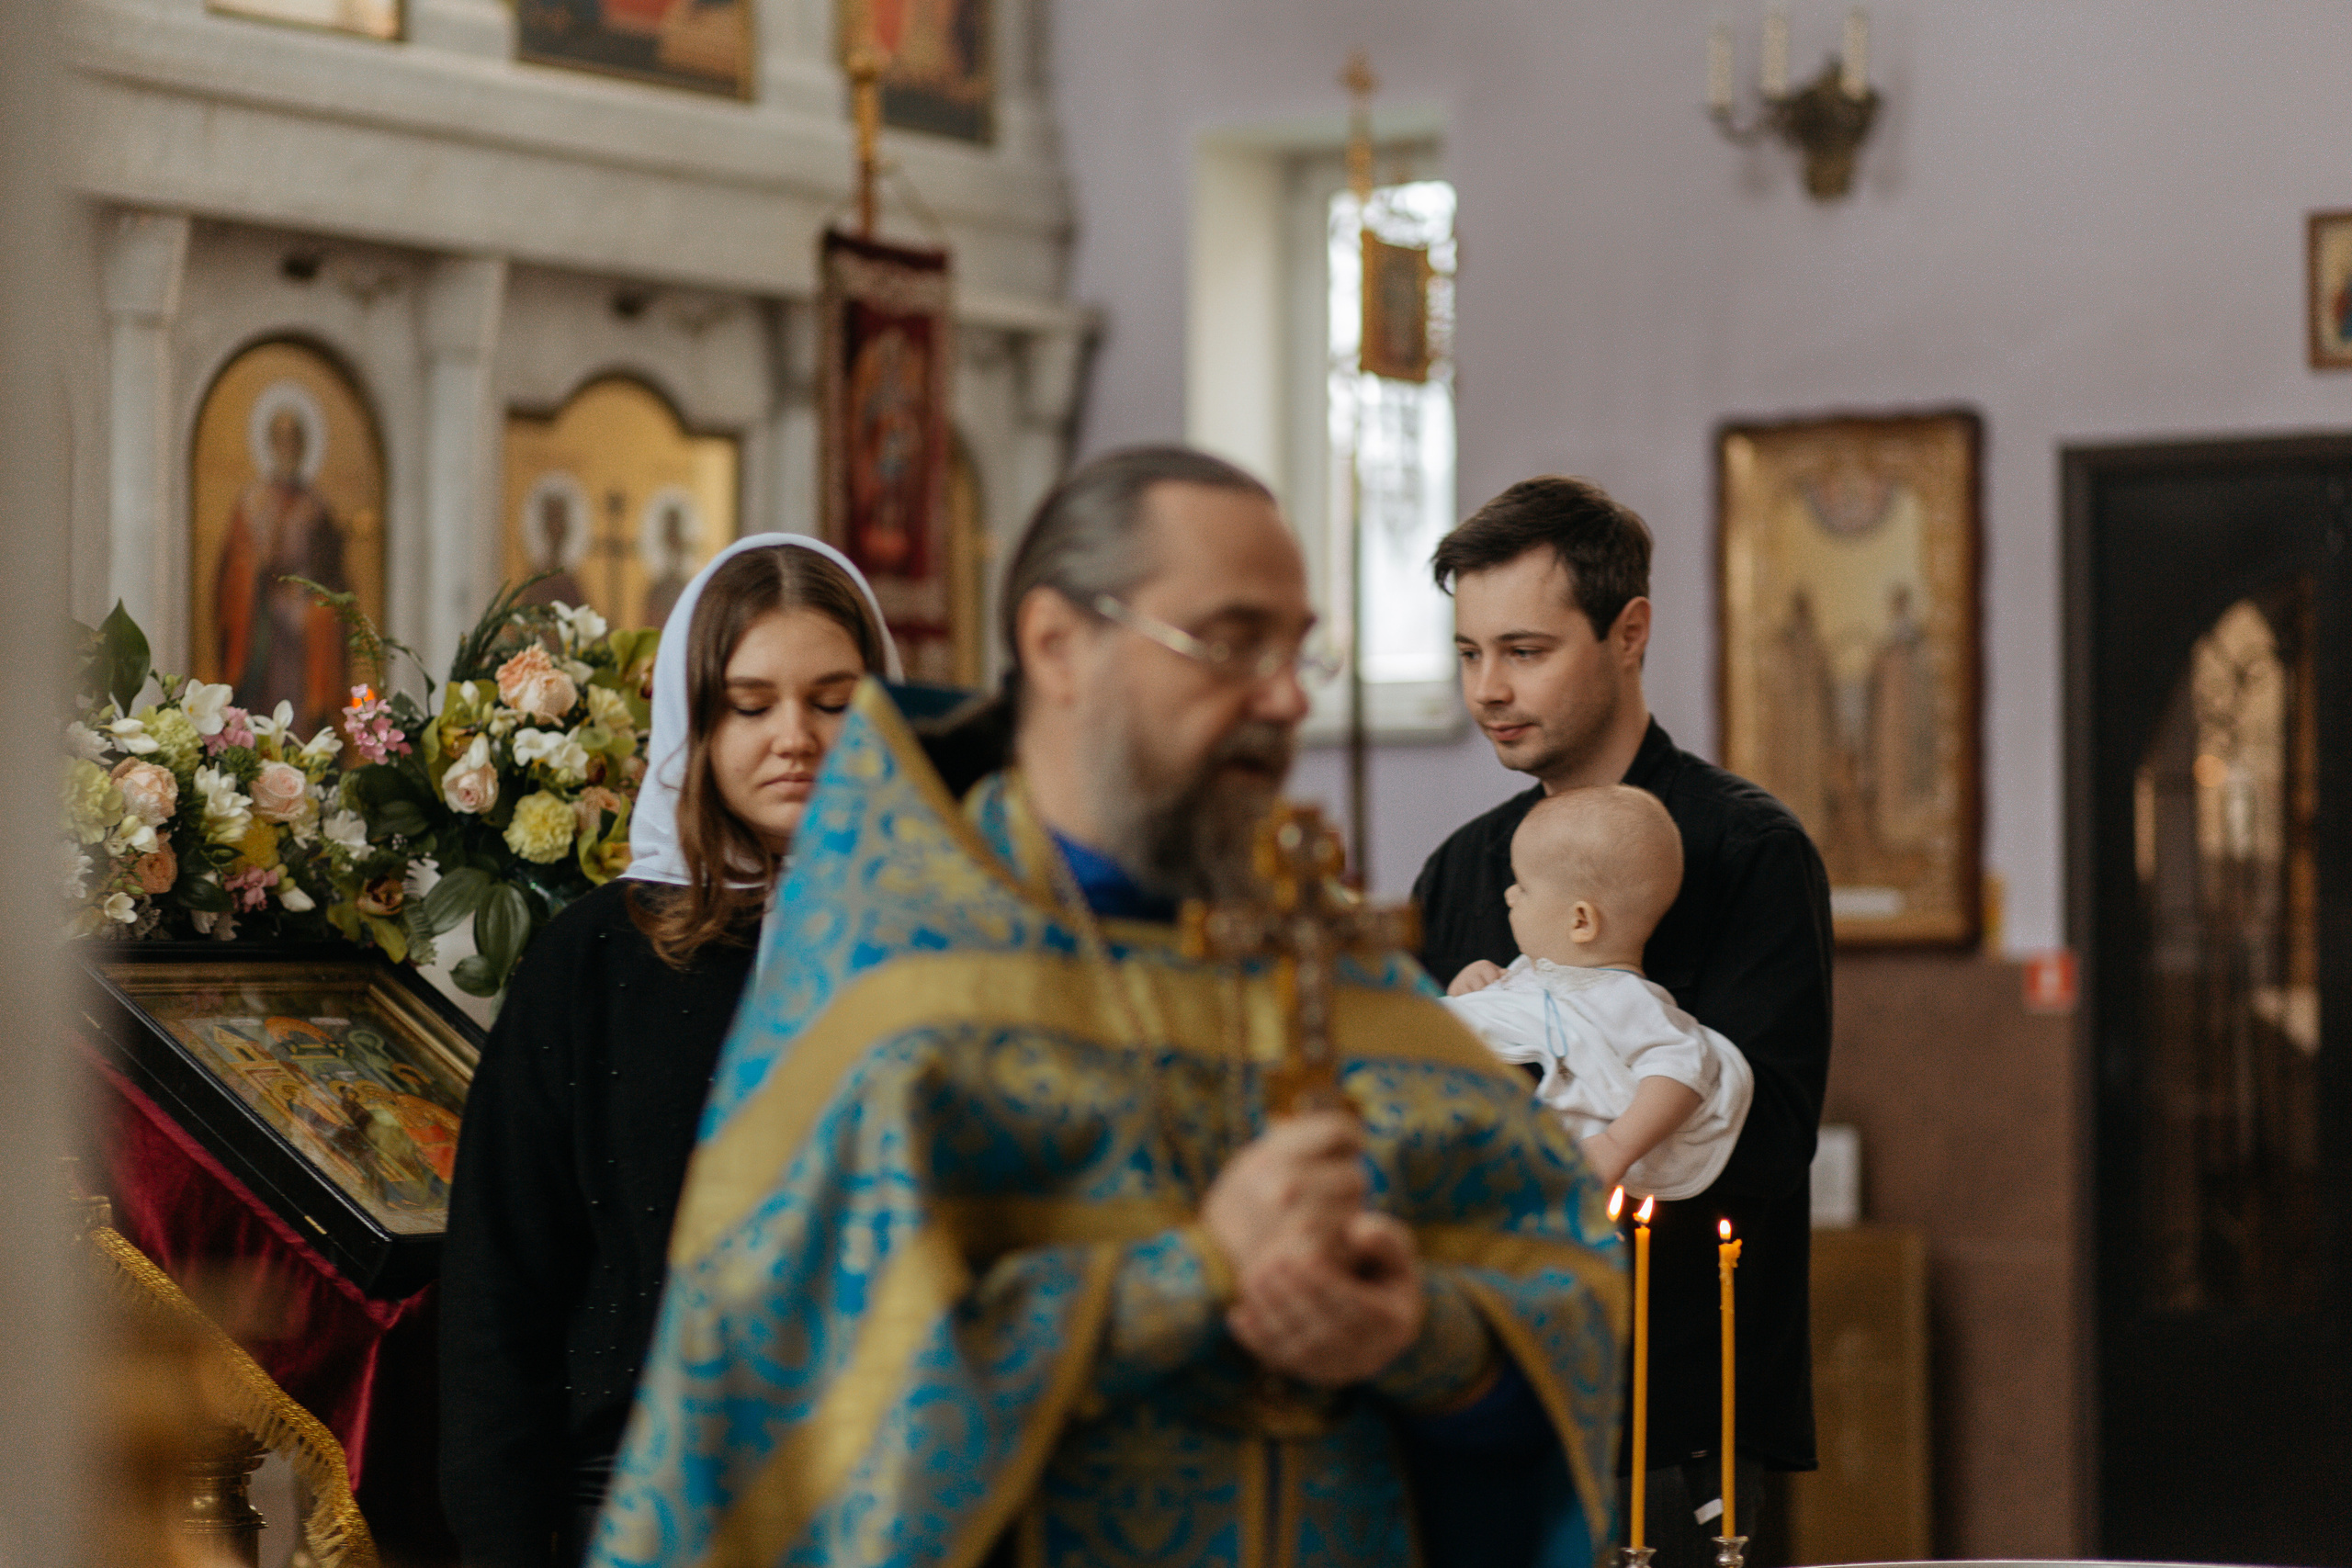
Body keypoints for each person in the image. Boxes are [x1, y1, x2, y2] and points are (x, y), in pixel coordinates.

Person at [588, 447, 1624, 1568]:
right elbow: (800, 1419)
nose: (1283, 696)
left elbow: (1561, 1282)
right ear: (1056, 646)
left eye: (1296, 650)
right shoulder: (895, 985)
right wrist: (1191, 1276)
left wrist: (1431, 1342)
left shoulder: (1328, 960)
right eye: (1231, 643)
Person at [439, 534, 902, 1568]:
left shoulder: (943, 947)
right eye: (751, 704)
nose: (797, 738)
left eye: (834, 703)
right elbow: (499, 1292)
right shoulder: (594, 961)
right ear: (692, 720)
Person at [1413, 476, 1832, 1566]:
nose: (1488, 690)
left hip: (1677, 1403)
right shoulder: (1462, 870)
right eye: (1468, 655)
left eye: (1525, 650)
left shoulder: (1747, 852)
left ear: (1628, 632)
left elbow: (1771, 1137)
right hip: (1485, 1387)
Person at [1441, 785, 1753, 1202]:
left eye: (1524, 887)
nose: (1508, 895)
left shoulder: (1628, 1000)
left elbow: (1684, 1068)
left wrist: (1615, 1146)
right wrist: (1475, 985)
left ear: (1581, 921)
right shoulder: (1526, 970)